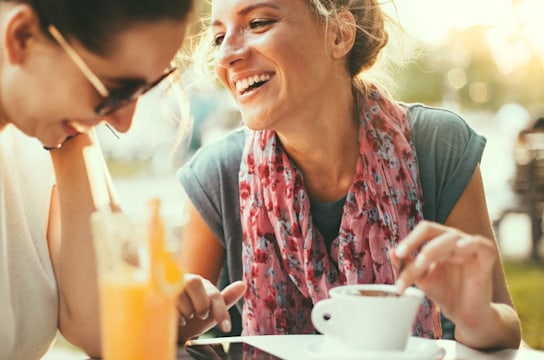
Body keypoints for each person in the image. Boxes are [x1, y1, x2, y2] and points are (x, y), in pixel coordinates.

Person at [174, 0, 522, 350]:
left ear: (339, 35)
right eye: (219, 38)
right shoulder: (217, 174)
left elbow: (502, 327)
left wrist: (476, 316)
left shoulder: (437, 147)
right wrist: (175, 317)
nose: (227, 56)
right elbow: (169, 334)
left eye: (259, 22)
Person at [0, 0, 193, 358]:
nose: (122, 123)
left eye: (144, 90)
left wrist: (161, 310)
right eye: (115, 90)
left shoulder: (46, 128)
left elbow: (100, 326)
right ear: (21, 36)